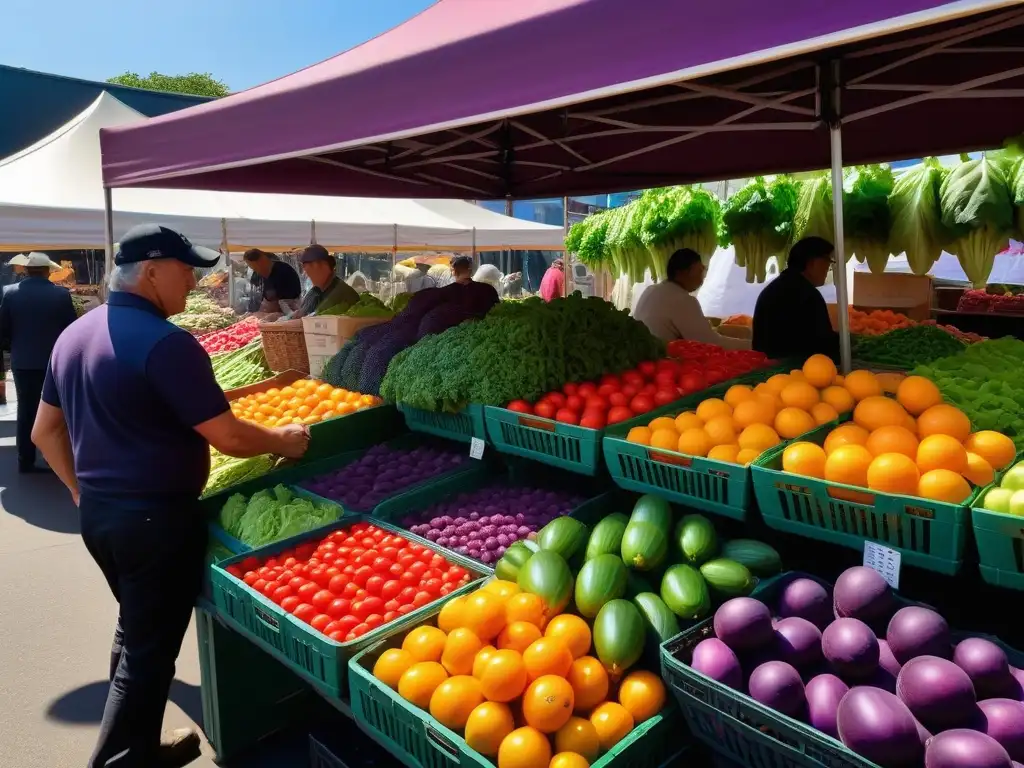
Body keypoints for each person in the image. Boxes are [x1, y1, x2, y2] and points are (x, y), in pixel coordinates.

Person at [31, 224, 311, 768]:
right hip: (156, 522)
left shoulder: (74, 336)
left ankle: (140, 746)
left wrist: (77, 490)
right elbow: (226, 434)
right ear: (151, 271)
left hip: (101, 518)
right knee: (148, 654)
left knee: (135, 629)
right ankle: (117, 762)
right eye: (186, 271)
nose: (194, 282)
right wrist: (284, 440)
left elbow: (45, 431)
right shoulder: (166, 343)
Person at [0, 252, 77, 472]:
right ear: (47, 271)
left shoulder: (10, 293)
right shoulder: (61, 295)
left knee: (25, 410)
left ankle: (25, 460)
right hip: (53, 362)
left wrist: (11, 346)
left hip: (23, 361)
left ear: (26, 270)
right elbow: (71, 329)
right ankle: (55, 459)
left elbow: (3, 328)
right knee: (55, 411)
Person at [633, 248, 750, 349]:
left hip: (644, 354)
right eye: (698, 271)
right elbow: (710, 343)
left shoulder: (652, 290)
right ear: (682, 272)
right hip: (661, 362)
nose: (702, 277)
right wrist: (753, 345)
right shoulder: (682, 300)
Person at [752, 236, 840, 362]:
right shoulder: (808, 295)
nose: (828, 267)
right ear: (812, 262)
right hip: (799, 372)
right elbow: (824, 344)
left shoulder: (772, 289)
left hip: (767, 369)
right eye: (827, 260)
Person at [296, 244, 359, 317]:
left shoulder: (344, 292)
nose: (306, 273)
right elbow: (300, 314)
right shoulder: (314, 292)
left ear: (324, 265)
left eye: (310, 266)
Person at [243, 248, 301, 313]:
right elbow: (263, 299)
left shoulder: (284, 271)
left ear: (262, 260)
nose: (257, 272)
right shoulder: (261, 275)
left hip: (290, 315)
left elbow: (287, 302)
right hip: (273, 316)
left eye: (256, 268)